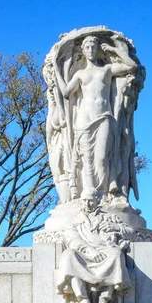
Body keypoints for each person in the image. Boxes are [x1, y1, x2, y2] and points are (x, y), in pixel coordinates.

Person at [55, 35, 137, 202]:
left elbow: (132, 66)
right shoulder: (79, 74)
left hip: (104, 117)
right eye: (87, 47)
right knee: (87, 159)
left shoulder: (106, 70)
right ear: (83, 51)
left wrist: (115, 50)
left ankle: (104, 193)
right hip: (84, 118)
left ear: (98, 49)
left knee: (101, 156)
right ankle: (89, 192)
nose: (91, 50)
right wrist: (57, 71)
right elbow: (65, 92)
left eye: (93, 47)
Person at [57, 191, 132, 303]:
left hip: (106, 251)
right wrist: (91, 251)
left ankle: (104, 299)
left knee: (116, 253)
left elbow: (131, 233)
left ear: (98, 201)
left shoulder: (109, 217)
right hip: (85, 254)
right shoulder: (73, 221)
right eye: (84, 200)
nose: (87, 204)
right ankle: (82, 298)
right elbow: (73, 240)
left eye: (90, 200)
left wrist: (116, 227)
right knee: (68, 255)